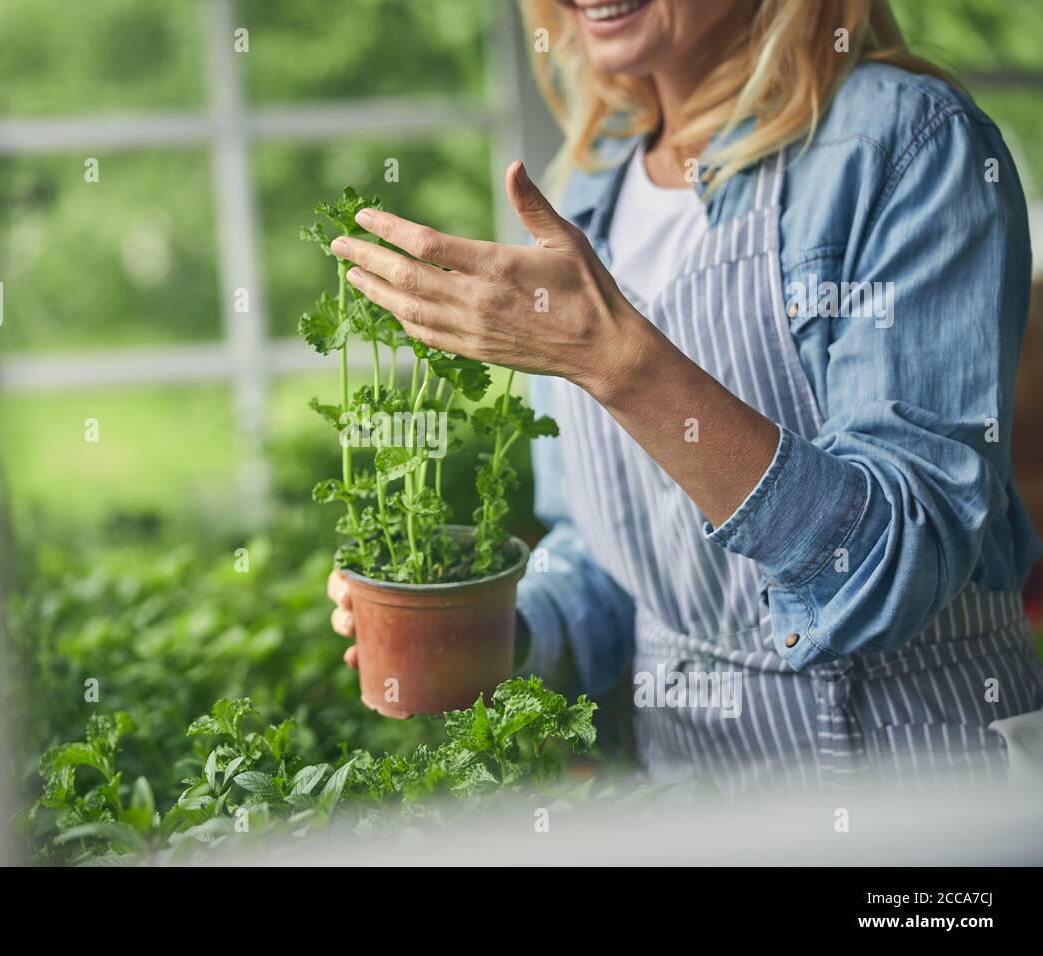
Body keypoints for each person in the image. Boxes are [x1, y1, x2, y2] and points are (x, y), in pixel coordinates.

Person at [327, 0, 1043, 794]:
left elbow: (892, 560)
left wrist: (618, 363)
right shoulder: (591, 182)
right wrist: (490, 632)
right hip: (688, 803)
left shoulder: (905, 142)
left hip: (913, 791)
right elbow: (610, 565)